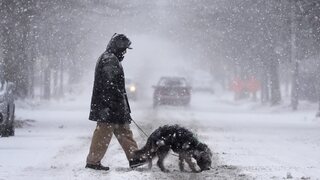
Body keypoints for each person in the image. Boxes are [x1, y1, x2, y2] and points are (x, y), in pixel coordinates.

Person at [85, 33, 144, 171]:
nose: (124, 52)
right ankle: (93, 162)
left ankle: (134, 158)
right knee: (103, 133)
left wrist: (123, 107)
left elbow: (114, 87)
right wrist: (116, 105)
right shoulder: (109, 60)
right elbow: (110, 85)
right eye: (124, 49)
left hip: (113, 105)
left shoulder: (111, 58)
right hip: (108, 106)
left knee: (124, 131)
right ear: (118, 47)